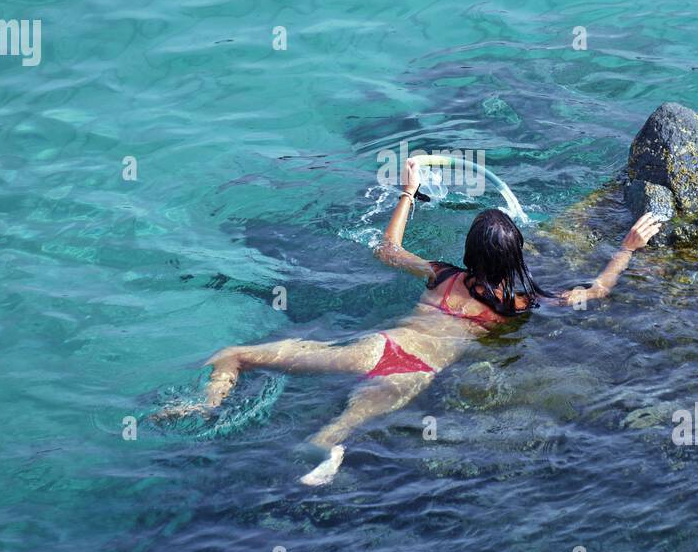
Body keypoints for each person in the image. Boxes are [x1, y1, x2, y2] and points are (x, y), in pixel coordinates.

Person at [167, 158, 665, 485]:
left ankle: (204, 406)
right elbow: (592, 294)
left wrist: (409, 193)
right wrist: (625, 249)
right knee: (329, 434)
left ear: (469, 252)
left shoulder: (443, 275)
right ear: (516, 256)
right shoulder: (519, 304)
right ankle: (329, 455)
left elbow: (389, 251)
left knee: (233, 357)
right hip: (412, 372)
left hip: (377, 348)